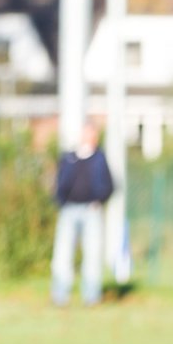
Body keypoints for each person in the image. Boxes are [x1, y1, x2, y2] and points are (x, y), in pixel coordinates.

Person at [50, 121, 113, 307]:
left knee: (92, 254)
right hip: (68, 210)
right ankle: (60, 295)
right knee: (62, 253)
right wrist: (60, 200)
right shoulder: (69, 158)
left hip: (91, 211)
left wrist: (98, 200)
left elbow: (109, 185)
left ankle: (91, 296)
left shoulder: (100, 158)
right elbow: (59, 181)